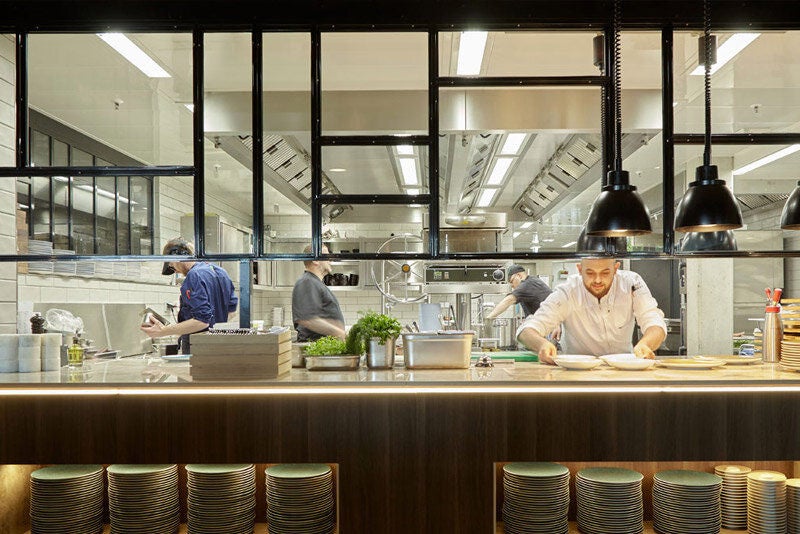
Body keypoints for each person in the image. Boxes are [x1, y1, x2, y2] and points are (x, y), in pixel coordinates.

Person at [517, 257, 666, 365]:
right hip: (577, 374)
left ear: (616, 268)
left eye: (605, 273)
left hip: (623, 370)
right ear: (579, 269)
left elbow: (653, 320)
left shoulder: (632, 283)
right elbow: (527, 330)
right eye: (590, 273)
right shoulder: (568, 291)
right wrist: (541, 344)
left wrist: (646, 344)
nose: (598, 280)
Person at [141, 237, 238, 353]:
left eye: (171, 264)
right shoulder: (221, 272)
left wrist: (163, 331)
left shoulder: (194, 275)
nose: (174, 270)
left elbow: (202, 321)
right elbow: (231, 312)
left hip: (198, 347)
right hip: (218, 345)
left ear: (178, 258)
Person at [292, 244, 346, 341]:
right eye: (326, 256)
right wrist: (339, 332)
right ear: (315, 260)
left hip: (323, 346)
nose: (330, 260)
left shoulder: (314, 282)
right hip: (314, 347)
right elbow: (308, 319)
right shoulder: (307, 282)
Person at [485, 264, 552, 320]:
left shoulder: (527, 284)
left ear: (519, 276)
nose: (511, 285)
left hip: (548, 325)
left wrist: (488, 318)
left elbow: (508, 300)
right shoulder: (532, 281)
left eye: (511, 281)